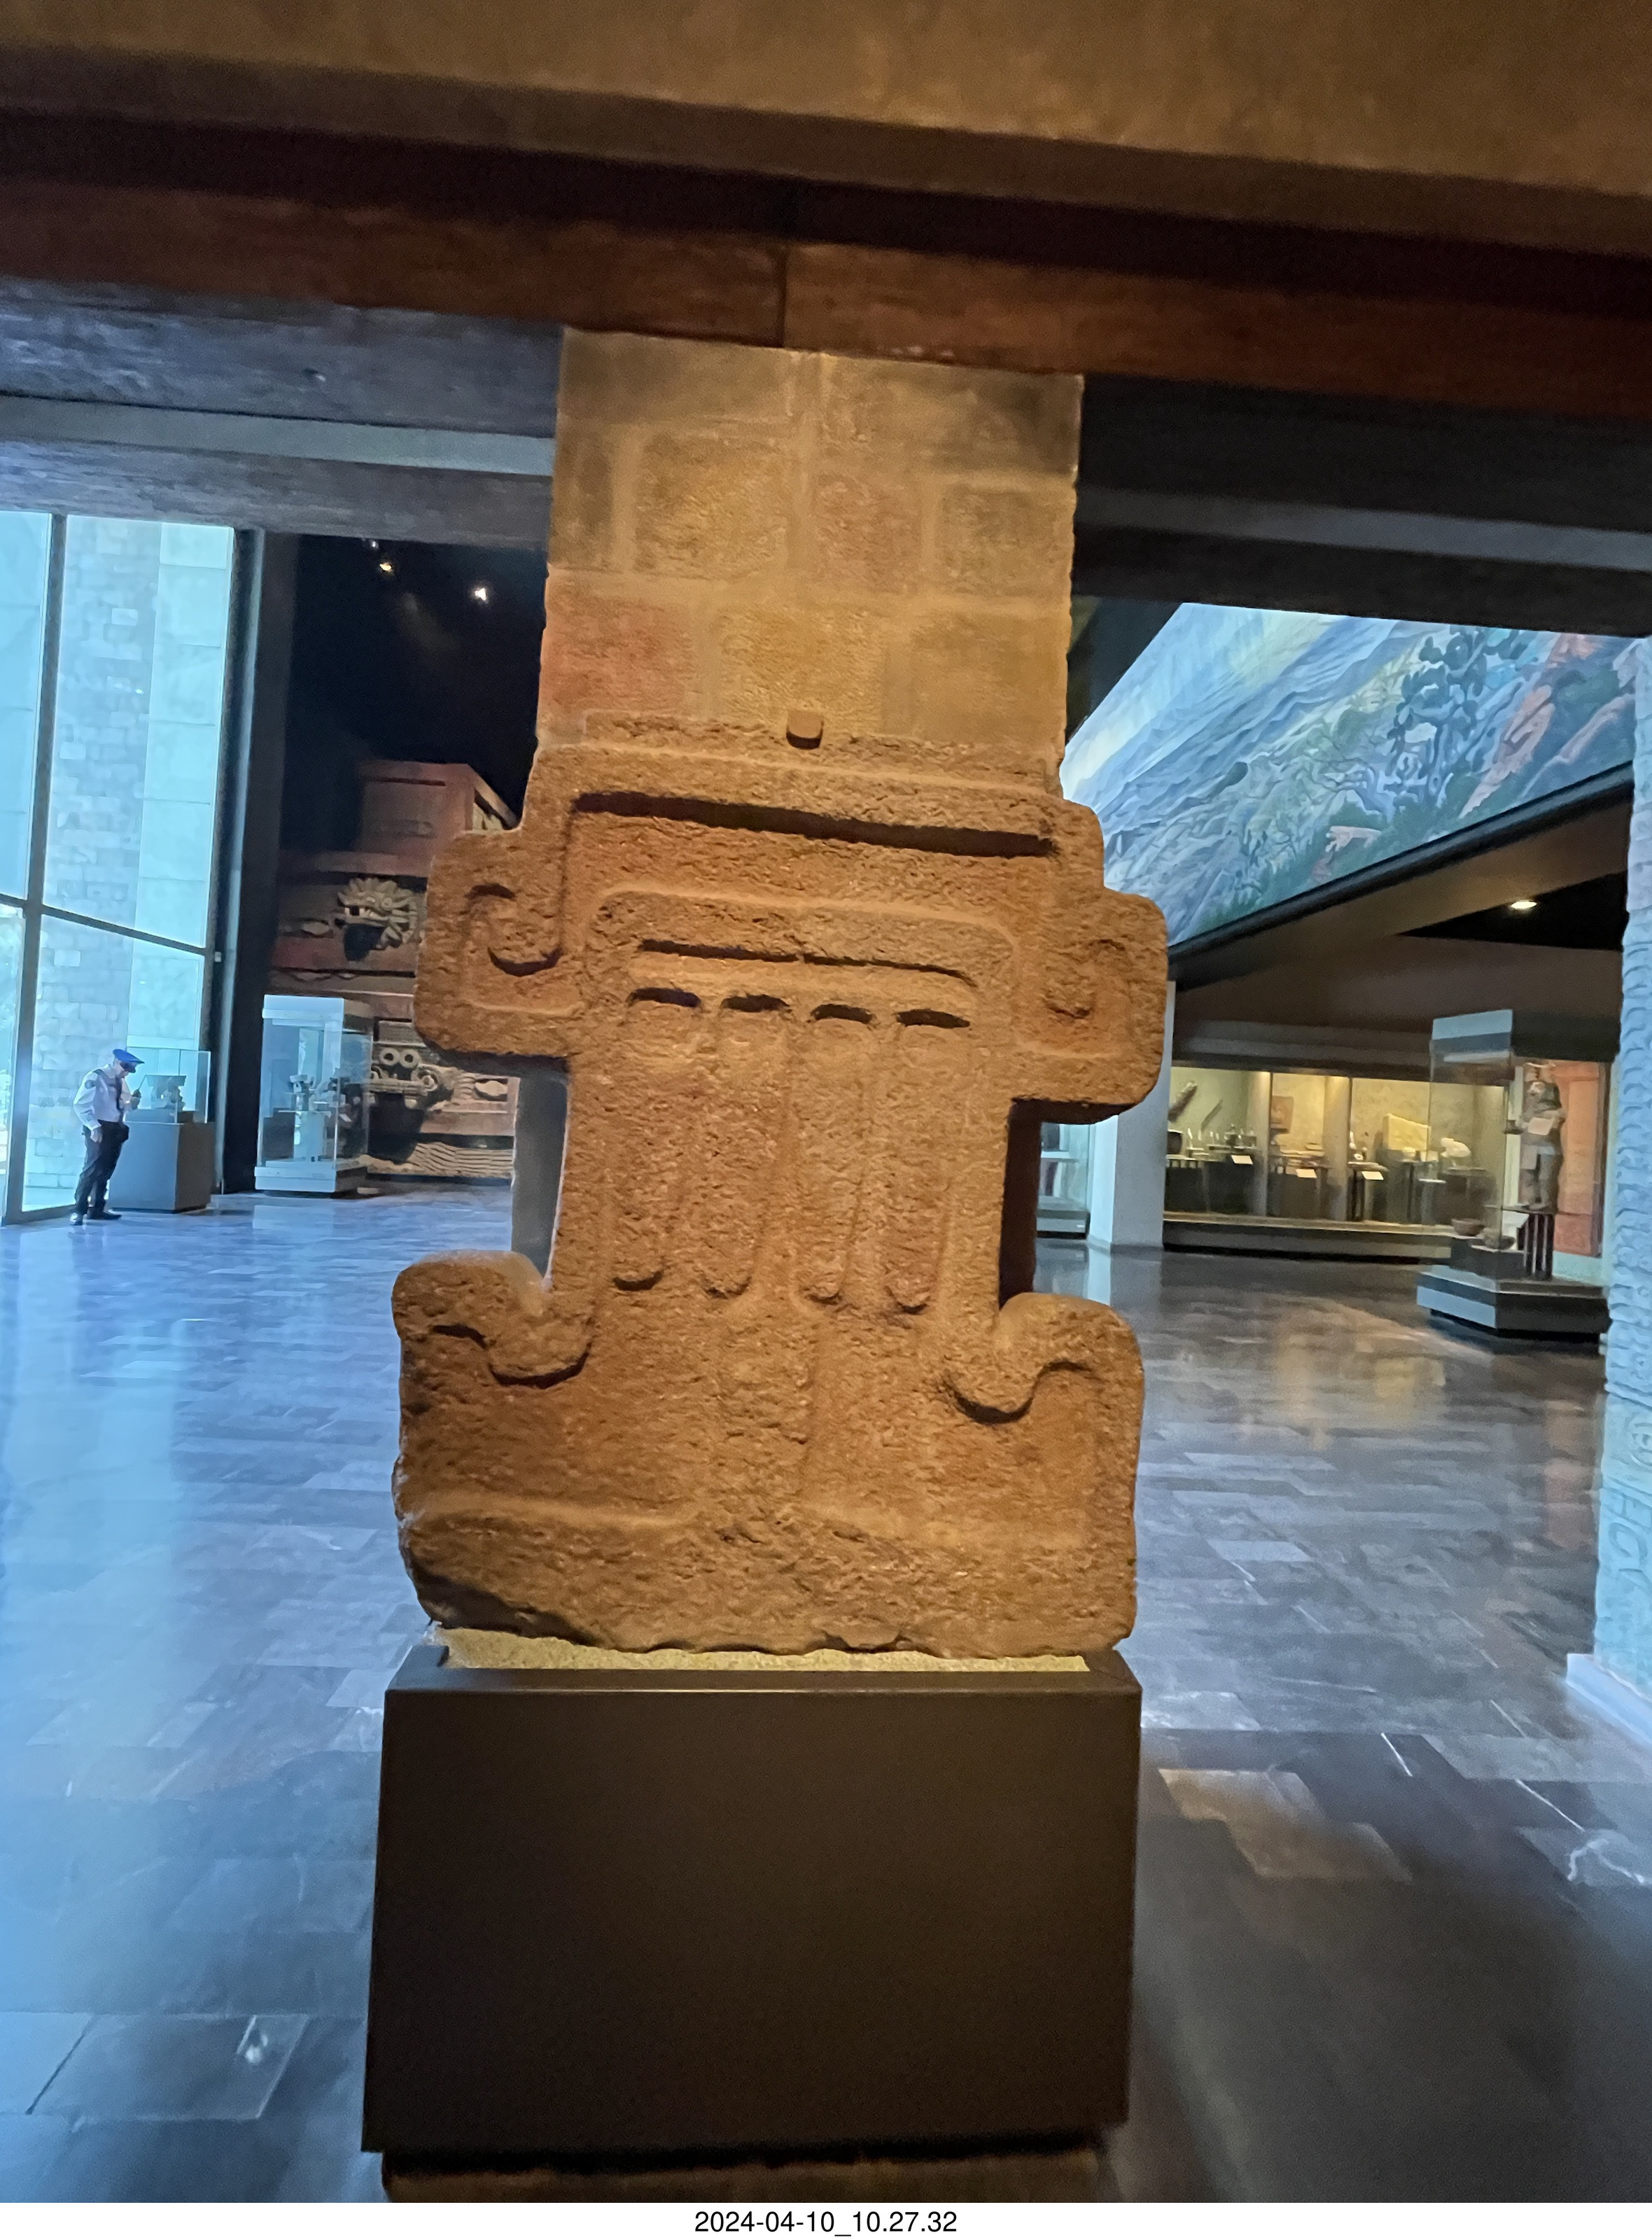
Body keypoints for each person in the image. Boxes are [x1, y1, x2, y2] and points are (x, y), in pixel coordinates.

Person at [70, 1047, 142, 1224]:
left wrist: (133, 1103)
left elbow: (122, 1106)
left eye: (130, 1070)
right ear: (116, 1062)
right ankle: (79, 1210)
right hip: (99, 1126)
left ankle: (97, 1208)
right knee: (92, 1169)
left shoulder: (121, 1082)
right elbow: (81, 1105)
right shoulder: (96, 1077)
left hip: (115, 1128)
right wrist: (94, 1127)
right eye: (125, 1067)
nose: (126, 1072)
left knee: (106, 1170)